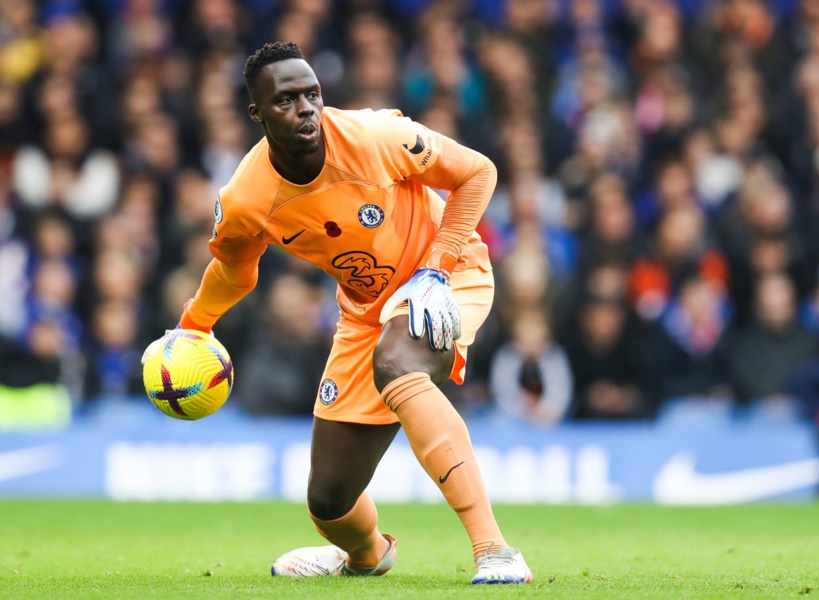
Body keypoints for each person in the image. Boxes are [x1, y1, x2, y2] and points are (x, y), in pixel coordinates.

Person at [161, 41, 532, 585]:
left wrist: (436, 266)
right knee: (329, 501)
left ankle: (495, 550)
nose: (306, 108)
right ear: (257, 113)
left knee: (398, 363)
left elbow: (477, 173)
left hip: (448, 274)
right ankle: (366, 555)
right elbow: (235, 271)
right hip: (365, 312)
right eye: (286, 100)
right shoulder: (246, 198)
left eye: (312, 94)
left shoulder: (374, 137)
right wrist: (193, 325)